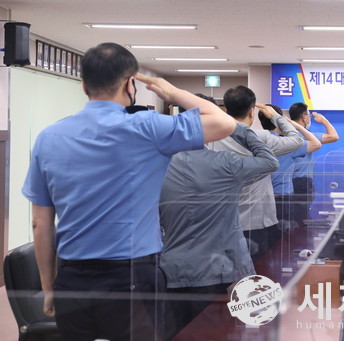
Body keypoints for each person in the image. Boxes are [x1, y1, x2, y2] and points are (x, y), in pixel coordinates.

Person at [21, 42, 236, 341]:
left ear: (83, 85)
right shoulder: (148, 128)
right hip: (132, 277)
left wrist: (49, 288)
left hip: (73, 279)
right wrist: (173, 93)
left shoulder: (49, 137)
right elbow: (224, 122)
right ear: (129, 84)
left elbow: (40, 223)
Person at [160, 95, 278, 339]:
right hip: (218, 271)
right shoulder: (225, 163)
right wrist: (236, 128)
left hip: (172, 270)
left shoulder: (158, 164)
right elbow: (269, 161)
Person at [210, 86, 307, 262]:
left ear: (226, 109)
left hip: (223, 219)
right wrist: (276, 117)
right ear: (252, 111)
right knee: (257, 269)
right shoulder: (260, 137)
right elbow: (297, 140)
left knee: (229, 268)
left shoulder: (214, 138)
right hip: (255, 220)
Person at [287, 102, 339, 217]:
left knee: (291, 215)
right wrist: (324, 121)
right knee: (301, 216)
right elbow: (334, 136)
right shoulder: (306, 136)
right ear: (304, 117)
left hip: (286, 181)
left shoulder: (286, 134)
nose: (309, 118)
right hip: (301, 182)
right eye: (308, 115)